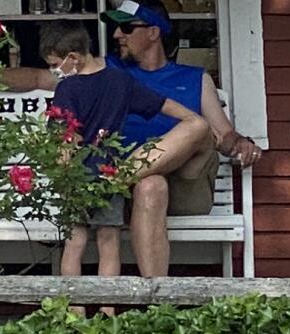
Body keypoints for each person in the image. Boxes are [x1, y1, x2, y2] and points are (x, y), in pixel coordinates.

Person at [102, 0, 260, 275]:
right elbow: (41, 78)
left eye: (126, 28)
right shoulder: (108, 71)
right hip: (131, 196)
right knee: (151, 185)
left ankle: (118, 178)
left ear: (153, 32)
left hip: (186, 186)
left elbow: (224, 135)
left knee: (198, 127)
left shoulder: (194, 78)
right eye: (116, 28)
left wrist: (241, 143)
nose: (117, 35)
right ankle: (156, 304)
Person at [31, 24, 198, 283]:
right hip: (111, 174)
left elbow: (64, 138)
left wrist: (63, 174)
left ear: (72, 58)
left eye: (55, 64)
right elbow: (160, 104)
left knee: (74, 243)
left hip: (76, 176)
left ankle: (73, 310)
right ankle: (107, 313)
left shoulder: (68, 89)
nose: (55, 70)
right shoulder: (120, 81)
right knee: (109, 243)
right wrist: (192, 119)